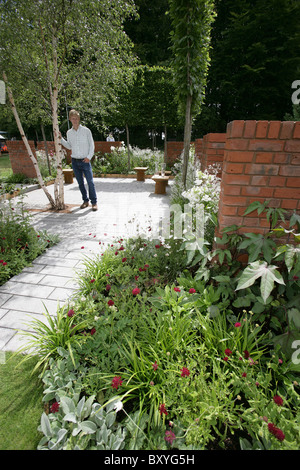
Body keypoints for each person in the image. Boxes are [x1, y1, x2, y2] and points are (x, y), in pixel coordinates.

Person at [60, 109, 98, 211]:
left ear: (79, 119)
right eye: (73, 119)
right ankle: (85, 201)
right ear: (70, 120)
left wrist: (89, 157)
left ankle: (94, 203)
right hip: (75, 161)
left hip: (85, 161)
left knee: (90, 182)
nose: (75, 120)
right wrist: (60, 139)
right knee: (80, 183)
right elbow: (69, 146)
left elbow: (92, 145)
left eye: (76, 118)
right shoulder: (69, 133)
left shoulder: (86, 131)